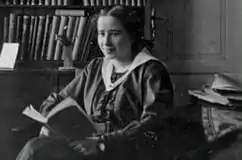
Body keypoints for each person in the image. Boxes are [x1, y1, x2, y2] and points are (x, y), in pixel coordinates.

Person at [16, 5, 174, 160]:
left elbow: (153, 125)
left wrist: (102, 142)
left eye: (115, 34)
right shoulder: (96, 68)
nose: (106, 42)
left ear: (131, 36)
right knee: (36, 147)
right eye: (101, 34)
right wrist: (51, 124)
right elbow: (58, 99)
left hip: (125, 151)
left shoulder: (151, 71)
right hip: (86, 148)